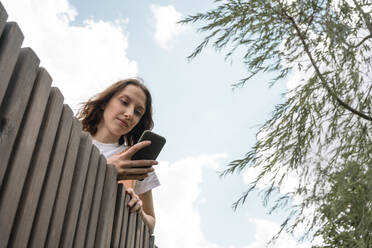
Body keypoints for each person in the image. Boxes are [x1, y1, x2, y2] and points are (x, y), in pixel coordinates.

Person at [77, 78, 159, 233]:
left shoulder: (136, 161)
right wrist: (107, 170)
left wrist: (139, 211)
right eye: (124, 102)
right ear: (104, 103)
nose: (129, 114)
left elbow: (151, 224)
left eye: (137, 112)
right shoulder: (71, 135)